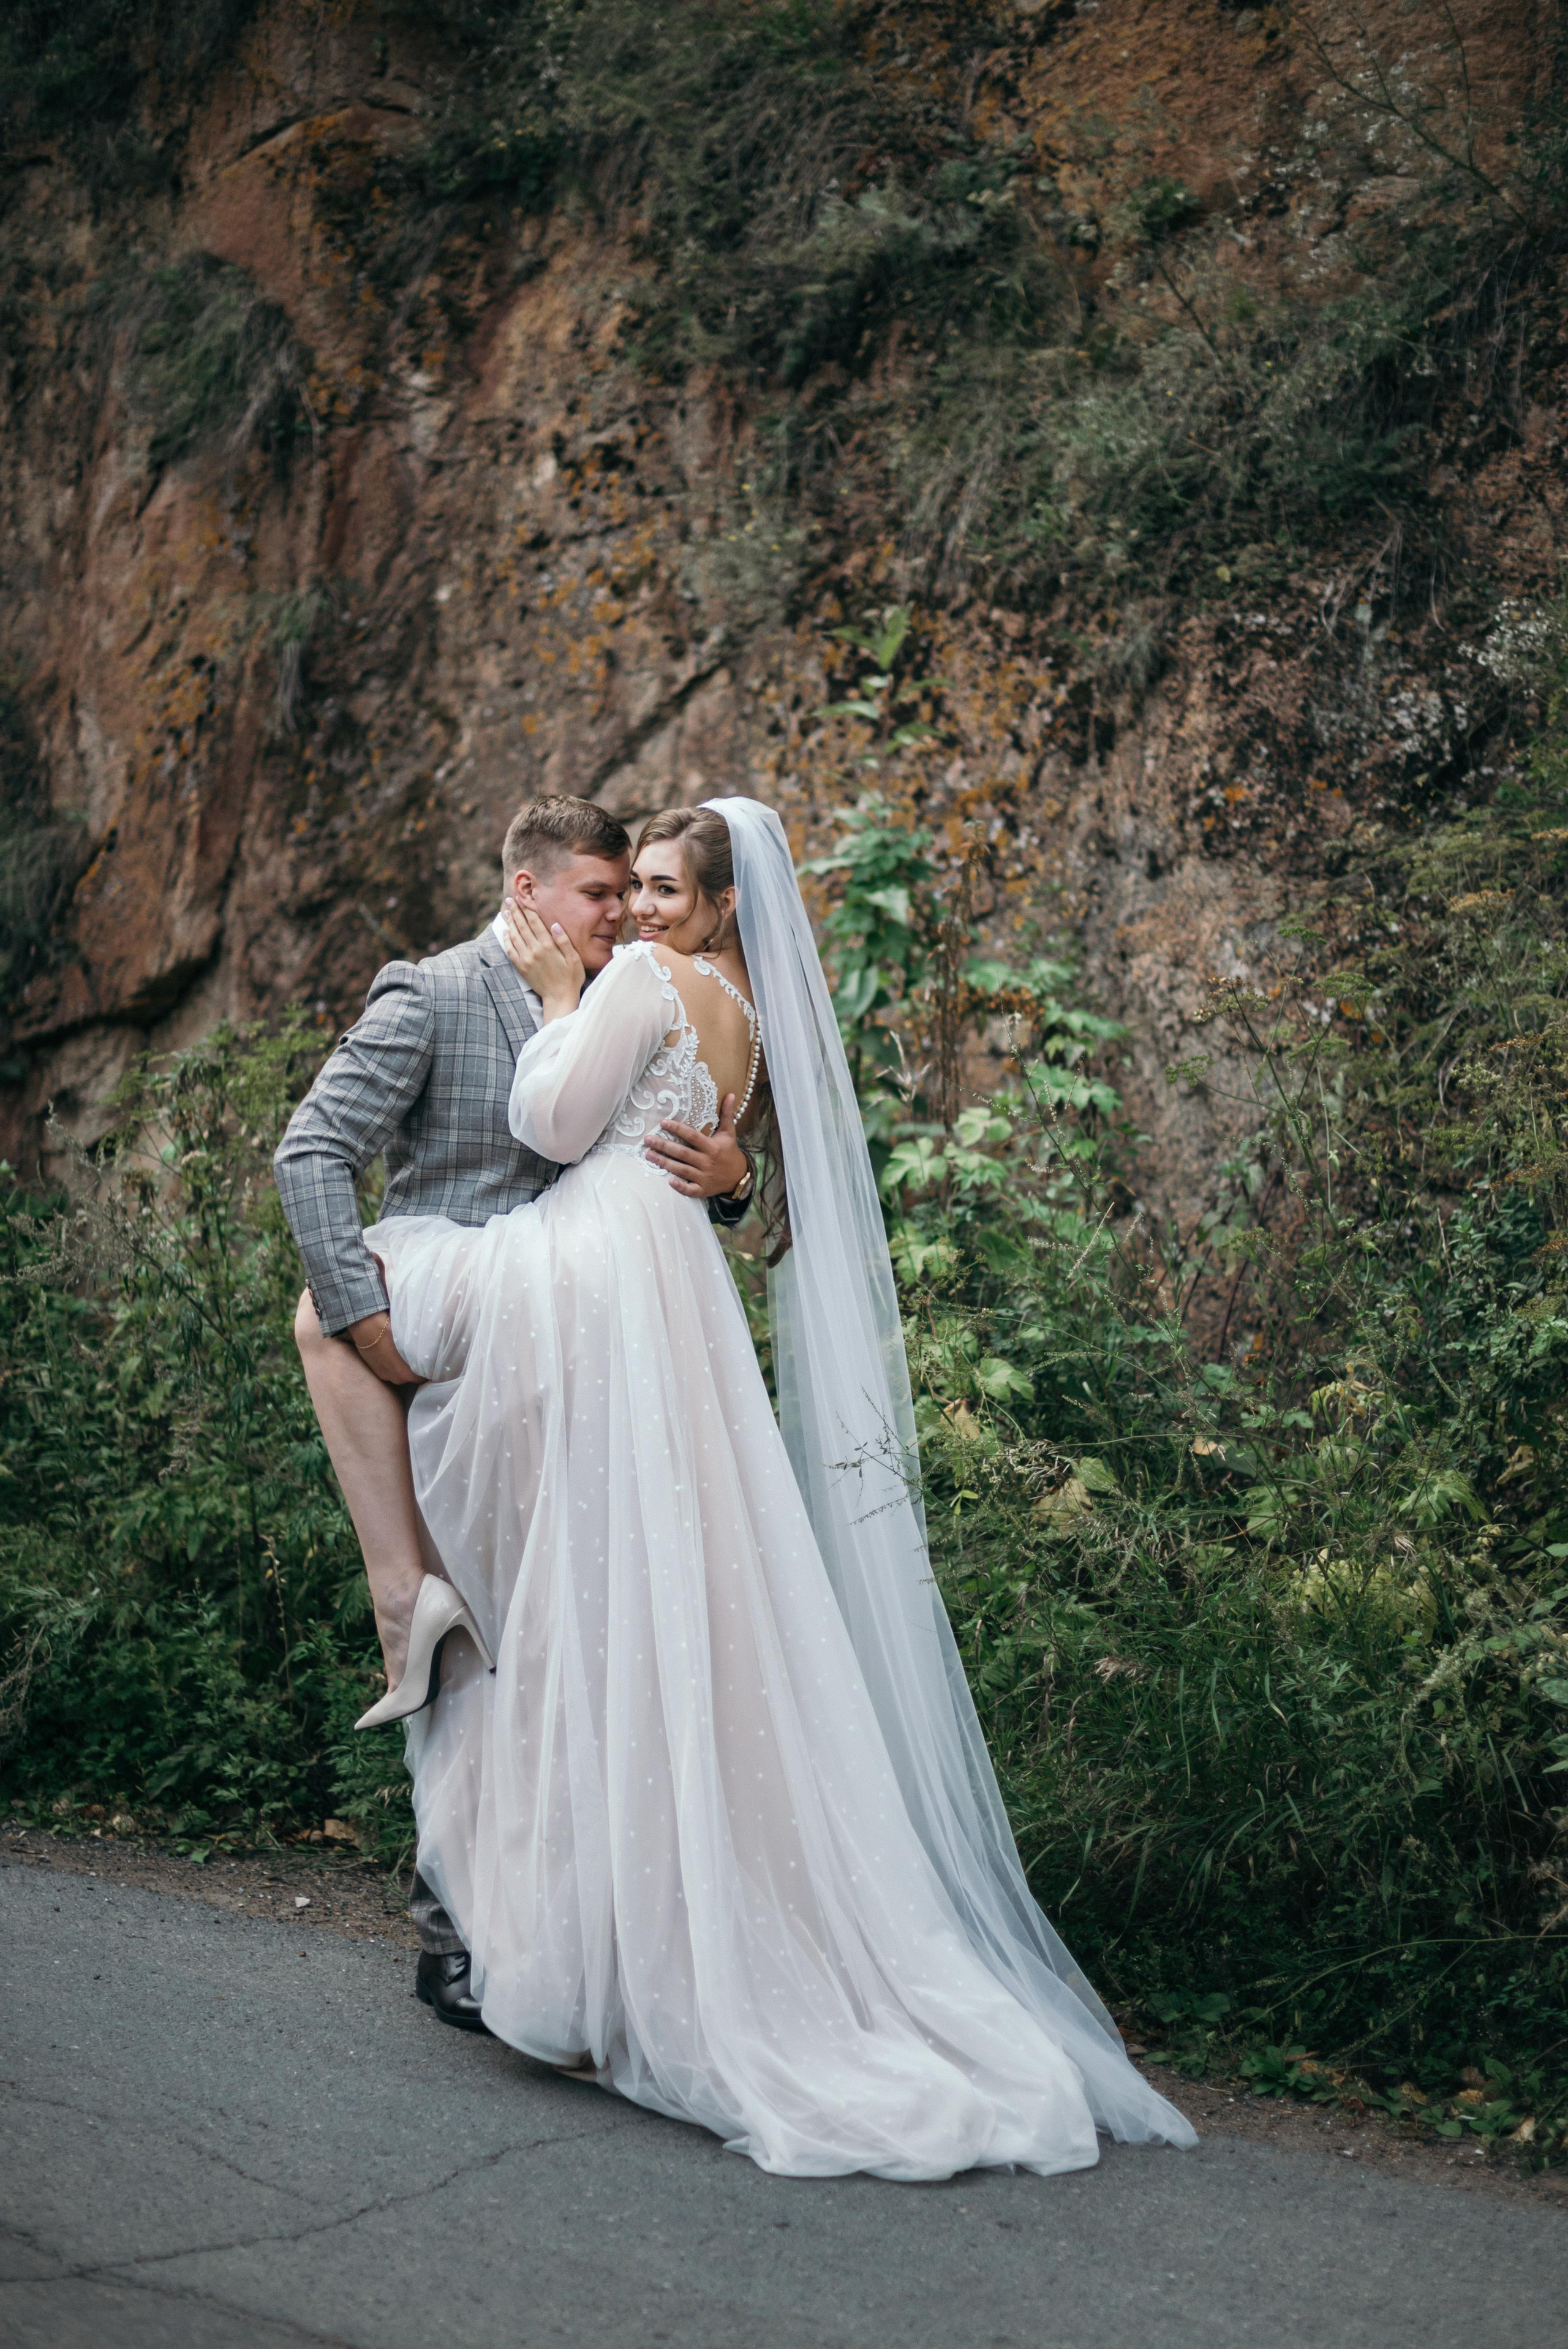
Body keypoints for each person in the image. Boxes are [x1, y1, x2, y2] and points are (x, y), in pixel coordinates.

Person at [360, 796, 1197, 2179]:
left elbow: (553, 1122)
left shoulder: (631, 976)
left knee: (558, 1551)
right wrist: (733, 1167)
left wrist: (567, 993)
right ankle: (554, 1918)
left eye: (664, 889)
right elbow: (723, 1158)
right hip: (668, 1298)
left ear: (723, 900)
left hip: (599, 1283)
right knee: (660, 1588)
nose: (636, 907)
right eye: (626, 888)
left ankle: (532, 1873)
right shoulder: (748, 1012)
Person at [273, 796, 754, 2024]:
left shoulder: (623, 987)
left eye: (633, 894)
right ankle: (454, 1937)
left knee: (571, 1650)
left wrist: (734, 1179)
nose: (621, 917)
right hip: (457, 1350)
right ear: (530, 892)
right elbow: (314, 1147)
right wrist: (356, 1311)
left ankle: (577, 1937)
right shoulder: (432, 993)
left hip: (592, 1366)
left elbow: (666, 1149)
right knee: (471, 1637)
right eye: (600, 895)